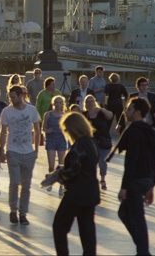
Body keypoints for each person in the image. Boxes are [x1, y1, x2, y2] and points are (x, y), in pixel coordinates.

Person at [41, 112, 100, 256]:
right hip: (91, 192)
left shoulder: (79, 145)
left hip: (76, 193)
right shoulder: (92, 142)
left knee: (59, 227)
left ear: (73, 129)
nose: (66, 133)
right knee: (87, 232)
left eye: (66, 130)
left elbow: (73, 171)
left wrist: (56, 175)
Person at [115, 97, 155, 255]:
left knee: (137, 218)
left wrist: (124, 187)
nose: (126, 112)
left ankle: (143, 252)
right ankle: (143, 249)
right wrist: (151, 185)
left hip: (136, 181)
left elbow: (131, 161)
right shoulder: (150, 131)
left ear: (138, 112)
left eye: (129, 109)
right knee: (124, 213)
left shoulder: (135, 131)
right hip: (146, 179)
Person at [0, 85, 41, 225]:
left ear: (21, 96)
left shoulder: (31, 110)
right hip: (13, 151)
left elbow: (37, 129)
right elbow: (3, 131)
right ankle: (13, 210)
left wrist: (36, 150)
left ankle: (23, 213)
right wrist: (2, 150)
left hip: (28, 152)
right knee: (15, 182)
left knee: (26, 185)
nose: (11, 100)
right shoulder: (7, 111)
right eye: (10, 97)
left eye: (14, 97)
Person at [82, 94, 113, 190]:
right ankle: (93, 180)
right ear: (85, 104)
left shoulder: (101, 113)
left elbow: (110, 116)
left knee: (102, 161)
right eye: (88, 102)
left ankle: (103, 179)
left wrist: (102, 109)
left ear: (95, 102)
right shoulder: (84, 115)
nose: (90, 103)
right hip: (91, 143)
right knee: (92, 163)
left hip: (104, 141)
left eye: (92, 101)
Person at [42, 95, 68, 196]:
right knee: (51, 165)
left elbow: (68, 128)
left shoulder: (64, 115)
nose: (58, 104)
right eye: (56, 102)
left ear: (62, 104)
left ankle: (61, 186)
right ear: (53, 104)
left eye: (59, 102)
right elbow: (43, 128)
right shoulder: (48, 115)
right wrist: (47, 130)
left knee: (61, 165)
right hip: (51, 140)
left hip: (61, 140)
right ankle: (50, 182)